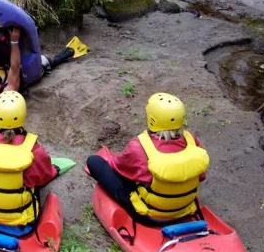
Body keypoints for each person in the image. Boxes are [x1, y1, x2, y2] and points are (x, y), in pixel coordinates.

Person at [87, 93, 209, 223]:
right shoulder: (191, 140)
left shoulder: (139, 146)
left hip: (150, 215)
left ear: (152, 118)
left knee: (94, 162)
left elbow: (118, 168)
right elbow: (201, 177)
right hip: (185, 209)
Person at [0, 91, 58, 233]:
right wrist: (54, 170)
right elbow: (43, 176)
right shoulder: (32, 148)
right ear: (23, 114)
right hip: (20, 222)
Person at [0, 23, 87, 106]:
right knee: (44, 61)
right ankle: (68, 53)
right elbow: (15, 67)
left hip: (3, 66)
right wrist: (14, 41)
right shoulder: (7, 92)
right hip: (24, 75)